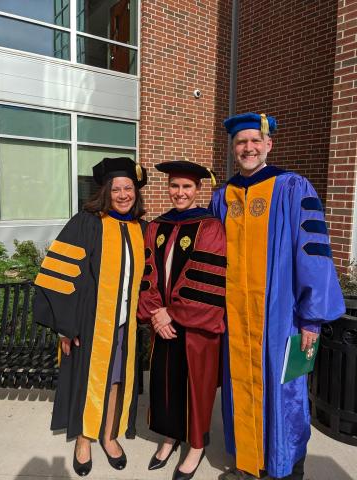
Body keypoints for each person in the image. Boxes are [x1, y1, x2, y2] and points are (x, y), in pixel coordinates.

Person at [209, 113, 345, 480]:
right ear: (233, 148)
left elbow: (313, 255)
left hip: (283, 316)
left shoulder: (292, 188)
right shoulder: (223, 196)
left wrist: (312, 317)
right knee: (241, 388)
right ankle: (249, 463)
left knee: (285, 392)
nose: (248, 148)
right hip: (236, 320)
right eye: (241, 142)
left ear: (269, 144)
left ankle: (284, 467)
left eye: (255, 141)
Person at [33, 157, 147, 477]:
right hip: (90, 324)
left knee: (115, 381)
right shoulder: (87, 222)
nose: (123, 194)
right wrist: (65, 328)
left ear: (136, 193)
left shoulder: (142, 229)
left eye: (129, 188)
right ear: (106, 191)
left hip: (125, 326)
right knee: (87, 381)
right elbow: (60, 275)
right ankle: (84, 439)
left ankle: (109, 435)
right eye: (117, 189)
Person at [138, 160, 226, 480]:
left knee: (196, 387)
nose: (180, 193)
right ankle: (170, 436)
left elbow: (205, 280)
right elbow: (147, 275)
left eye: (187, 187)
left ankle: (197, 445)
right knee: (164, 383)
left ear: (198, 190)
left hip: (196, 327)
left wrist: (171, 313)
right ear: (168, 188)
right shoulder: (156, 226)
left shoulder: (210, 226)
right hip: (163, 323)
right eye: (174, 186)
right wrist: (154, 313)